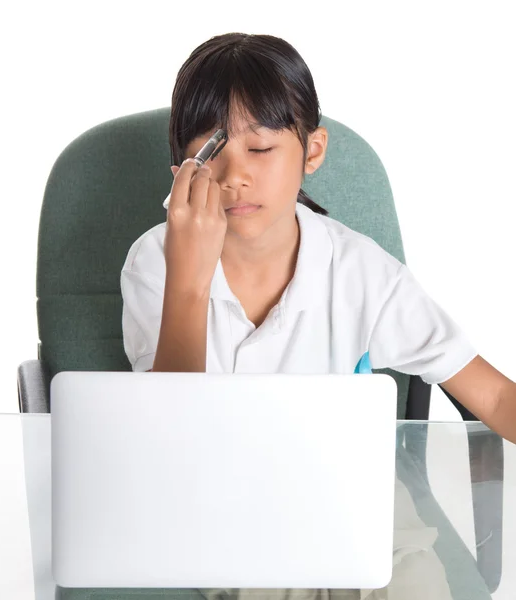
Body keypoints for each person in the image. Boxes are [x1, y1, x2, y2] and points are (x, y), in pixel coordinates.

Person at [120, 32, 514, 599]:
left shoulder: (359, 269)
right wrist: (190, 277)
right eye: (212, 153)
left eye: (260, 150)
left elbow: (495, 397)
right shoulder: (155, 263)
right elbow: (169, 436)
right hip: (223, 512)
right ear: (182, 166)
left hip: (359, 504)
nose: (235, 177)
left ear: (312, 151)